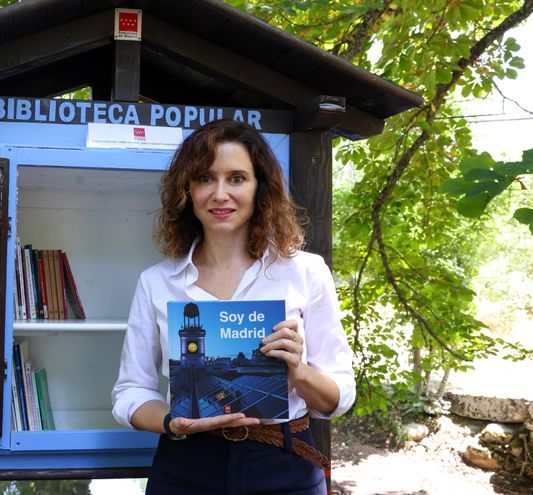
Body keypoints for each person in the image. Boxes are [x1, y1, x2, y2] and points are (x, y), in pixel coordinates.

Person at [111, 119, 355, 494]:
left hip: (283, 462)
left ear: (260, 187)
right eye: (205, 178)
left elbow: (338, 397)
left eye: (237, 178)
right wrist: (173, 422)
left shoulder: (305, 271)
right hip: (186, 466)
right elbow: (131, 393)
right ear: (187, 190)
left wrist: (298, 371)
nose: (220, 194)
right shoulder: (156, 282)